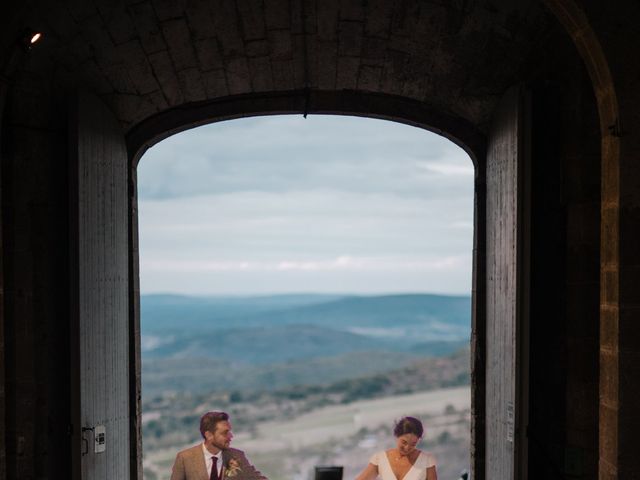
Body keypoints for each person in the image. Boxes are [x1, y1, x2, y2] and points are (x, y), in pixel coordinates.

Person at [170, 411, 267, 480]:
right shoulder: (185, 459)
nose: (231, 436)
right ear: (209, 435)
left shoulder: (237, 456)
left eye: (229, 432)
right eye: (225, 433)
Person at [355, 416, 437, 480]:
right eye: (404, 442)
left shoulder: (427, 460)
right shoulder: (380, 459)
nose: (407, 447)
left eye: (413, 444)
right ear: (397, 435)